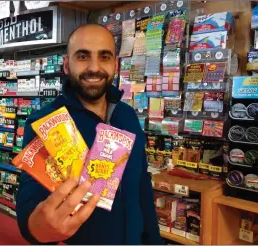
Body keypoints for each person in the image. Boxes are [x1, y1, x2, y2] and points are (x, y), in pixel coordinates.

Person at [16, 24, 162, 245]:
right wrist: (37, 228)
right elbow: (29, 200)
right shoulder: (44, 122)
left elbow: (142, 189)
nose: (94, 67)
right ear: (66, 65)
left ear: (115, 64)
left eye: (104, 57)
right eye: (83, 56)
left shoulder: (128, 116)